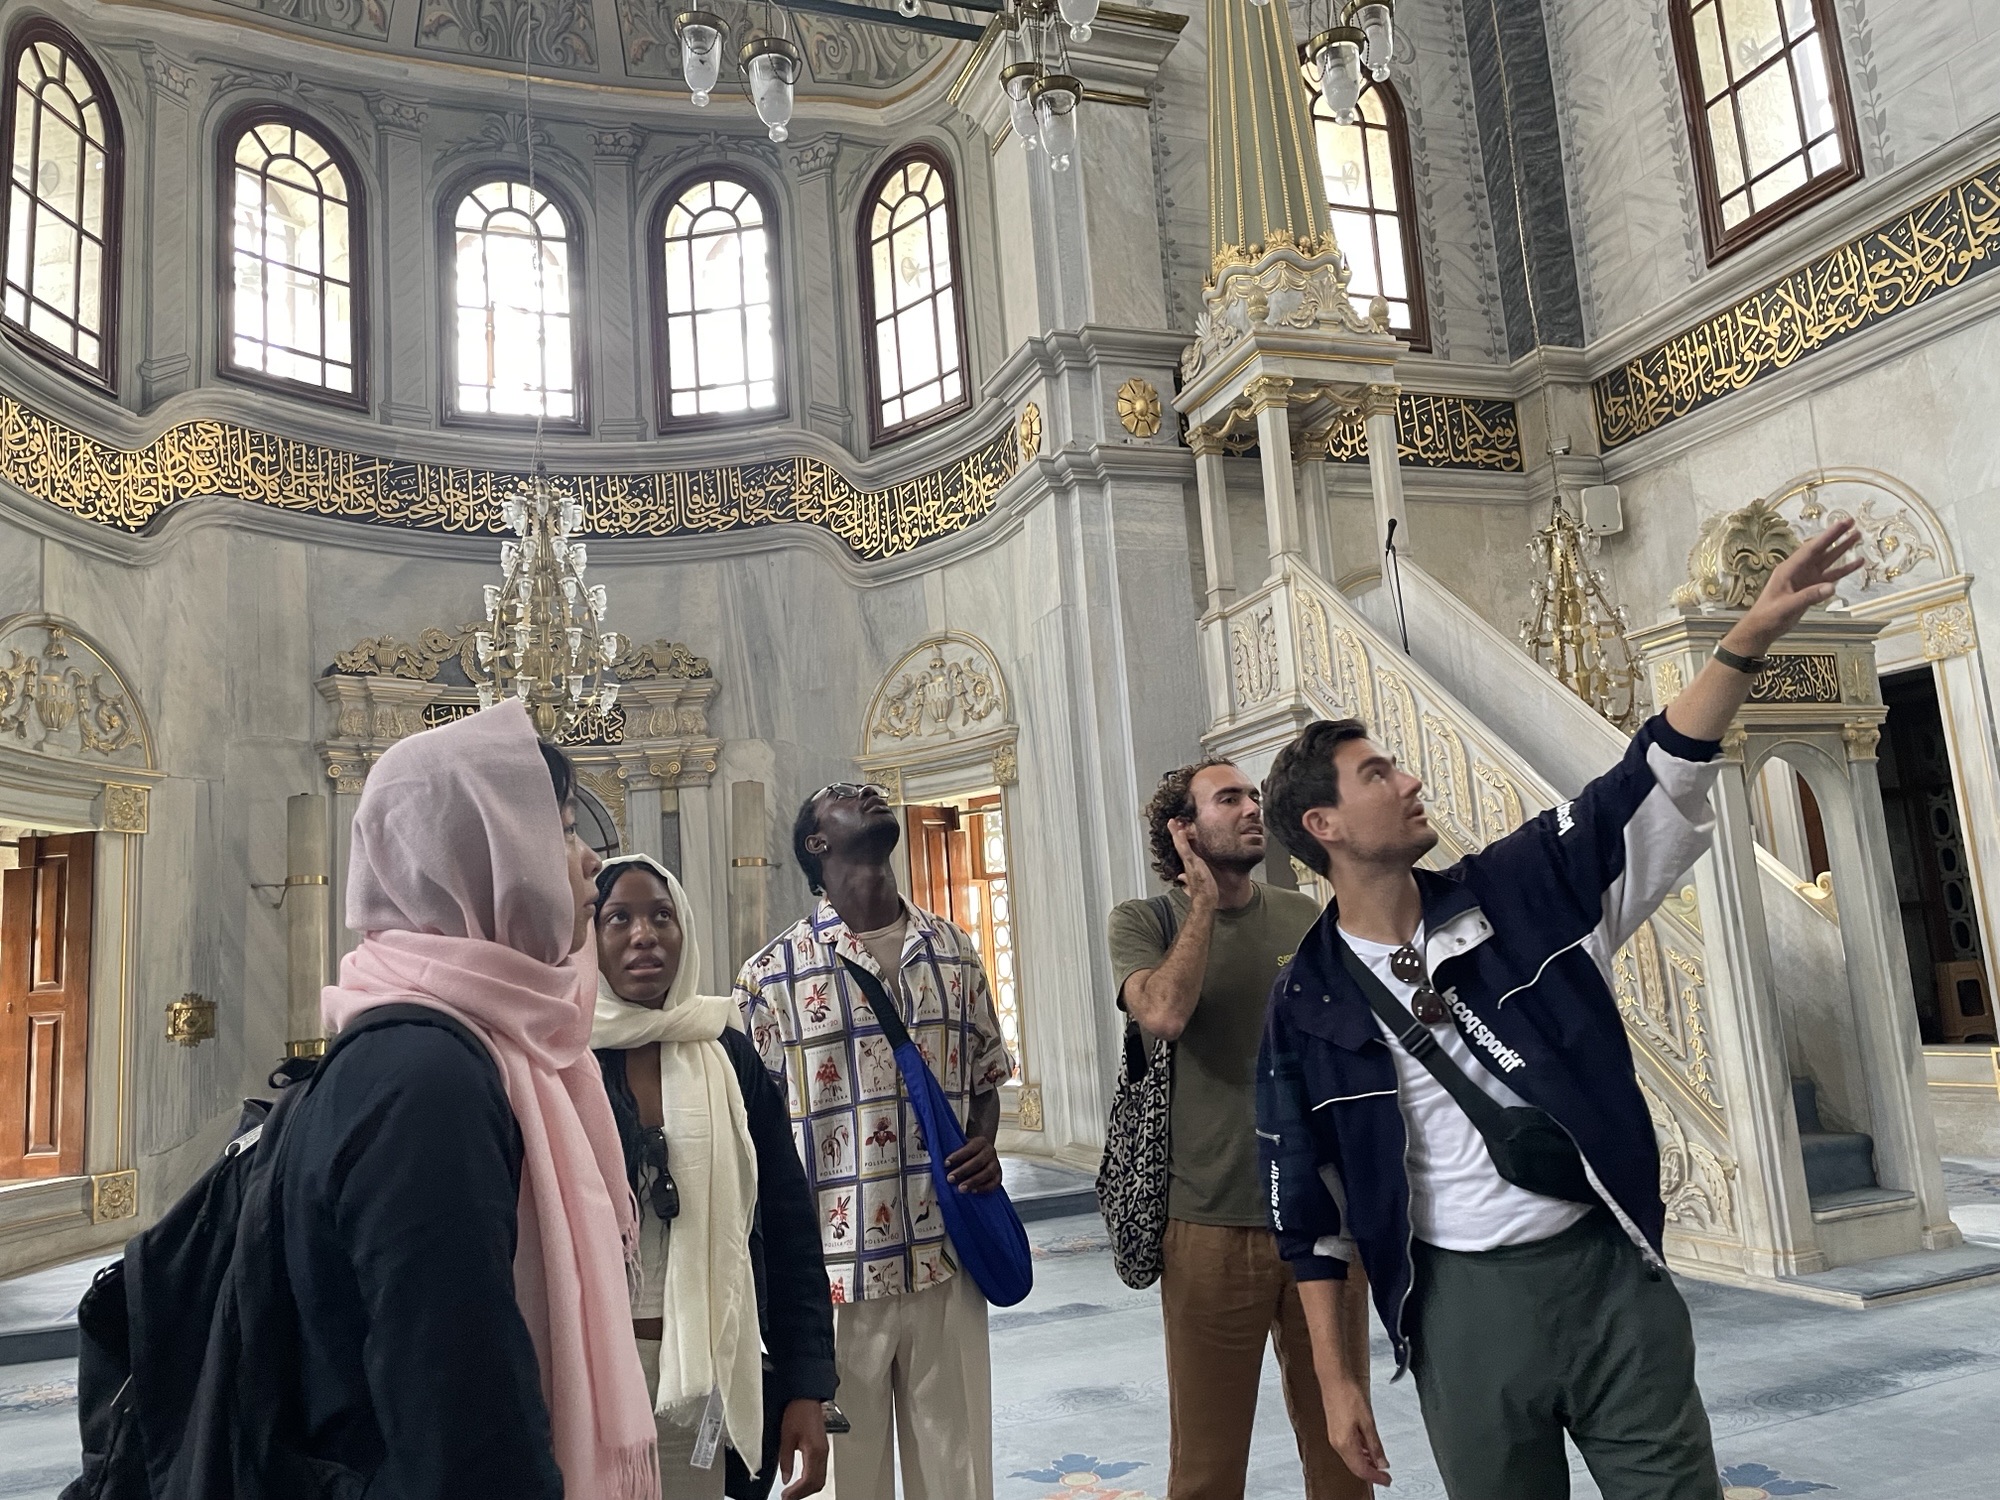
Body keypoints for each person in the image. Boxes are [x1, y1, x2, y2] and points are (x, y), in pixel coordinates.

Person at [1256, 519, 1865, 1499]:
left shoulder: (1518, 889)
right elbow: (1308, 1212)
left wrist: (1744, 639)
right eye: (1377, 774)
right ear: (1321, 826)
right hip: (1458, 1309)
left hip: (1605, 1271)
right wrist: (1336, 1384)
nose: (1409, 779)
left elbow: (1644, 781)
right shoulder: (1308, 1002)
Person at [276, 700, 658, 1500]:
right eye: (558, 830)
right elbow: (460, 1430)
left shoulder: (482, 1042)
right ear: (479, 852)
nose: (590, 860)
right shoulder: (426, 1079)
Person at [733, 782, 1014, 1500]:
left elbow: (986, 1072)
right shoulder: (771, 978)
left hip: (945, 1257)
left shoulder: (952, 949)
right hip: (834, 1275)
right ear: (816, 845)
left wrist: (984, 1139)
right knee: (850, 1483)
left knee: (957, 1471)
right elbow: (753, 1136)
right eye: (839, 797)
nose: (864, 790)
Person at [1106, 759, 1370, 1500]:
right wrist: (1200, 907)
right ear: (1183, 831)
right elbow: (1162, 1015)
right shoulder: (1143, 921)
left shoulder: (1305, 916)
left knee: (1344, 1450)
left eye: (1254, 795)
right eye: (1231, 799)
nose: (1254, 808)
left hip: (1323, 1221)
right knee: (1207, 1466)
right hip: (1210, 1226)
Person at [590, 853, 836, 1500]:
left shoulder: (727, 1053)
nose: (644, 934)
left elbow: (786, 1226)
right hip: (588, 1379)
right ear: (589, 935)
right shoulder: (563, 1056)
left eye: (662, 916)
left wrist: (807, 1385)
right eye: (619, 918)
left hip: (704, 1380)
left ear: (686, 930)